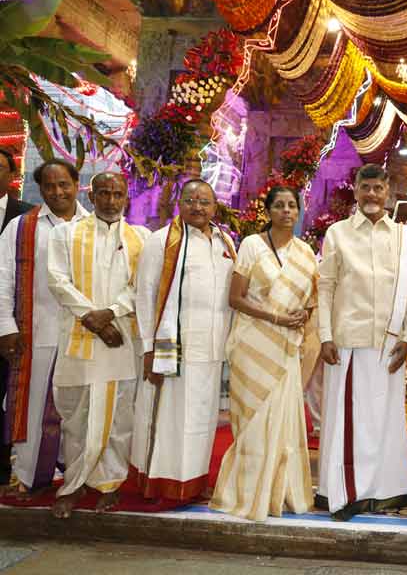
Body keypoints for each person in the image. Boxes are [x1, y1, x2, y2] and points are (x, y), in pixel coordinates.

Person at [210, 186, 318, 521]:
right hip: (252, 344)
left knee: (283, 420)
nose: (287, 211)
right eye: (280, 206)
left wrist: (303, 316)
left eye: (292, 206)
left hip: (286, 347)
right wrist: (276, 317)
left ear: (298, 212)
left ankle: (280, 492)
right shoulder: (252, 245)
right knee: (253, 420)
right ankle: (246, 494)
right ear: (268, 211)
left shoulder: (306, 252)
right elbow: (236, 298)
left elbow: (311, 303)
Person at [317, 164, 407, 520]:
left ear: (388, 191)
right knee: (350, 420)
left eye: (378, 188)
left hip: (389, 342)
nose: (372, 194)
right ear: (356, 190)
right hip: (349, 340)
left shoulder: (405, 237)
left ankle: (384, 490)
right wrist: (325, 335)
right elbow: (325, 286)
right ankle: (346, 491)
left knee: (385, 418)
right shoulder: (338, 234)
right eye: (366, 187)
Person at [46, 172, 148, 517]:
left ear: (126, 198)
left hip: (120, 341)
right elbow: (58, 282)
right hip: (80, 340)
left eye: (117, 194)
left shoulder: (139, 238)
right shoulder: (65, 233)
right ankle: (73, 485)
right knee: (75, 418)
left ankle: (109, 484)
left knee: (119, 418)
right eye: (103, 193)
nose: (110, 200)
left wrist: (111, 313)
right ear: (92, 197)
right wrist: (93, 319)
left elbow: (139, 287)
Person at [130, 180, 235, 504]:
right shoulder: (162, 242)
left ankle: (194, 481)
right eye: (190, 200)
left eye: (204, 201)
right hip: (174, 347)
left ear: (214, 207)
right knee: (169, 417)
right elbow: (145, 297)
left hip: (213, 348)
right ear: (180, 204)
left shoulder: (224, 242)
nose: (197, 207)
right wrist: (151, 349)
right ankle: (162, 484)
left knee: (203, 421)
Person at [0, 159, 89, 495]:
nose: (57, 192)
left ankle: (76, 475)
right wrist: (5, 326)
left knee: (78, 408)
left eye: (64, 184)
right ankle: (27, 476)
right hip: (37, 332)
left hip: (83, 335)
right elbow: (3, 279)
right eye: (49, 186)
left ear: (77, 184)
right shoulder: (22, 227)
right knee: (33, 404)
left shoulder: (95, 226)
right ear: (40, 189)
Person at [0, 148, 32, 485]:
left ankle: (5, 468)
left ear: (11, 175)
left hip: (10, 323)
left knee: (9, 395)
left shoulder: (26, 216)